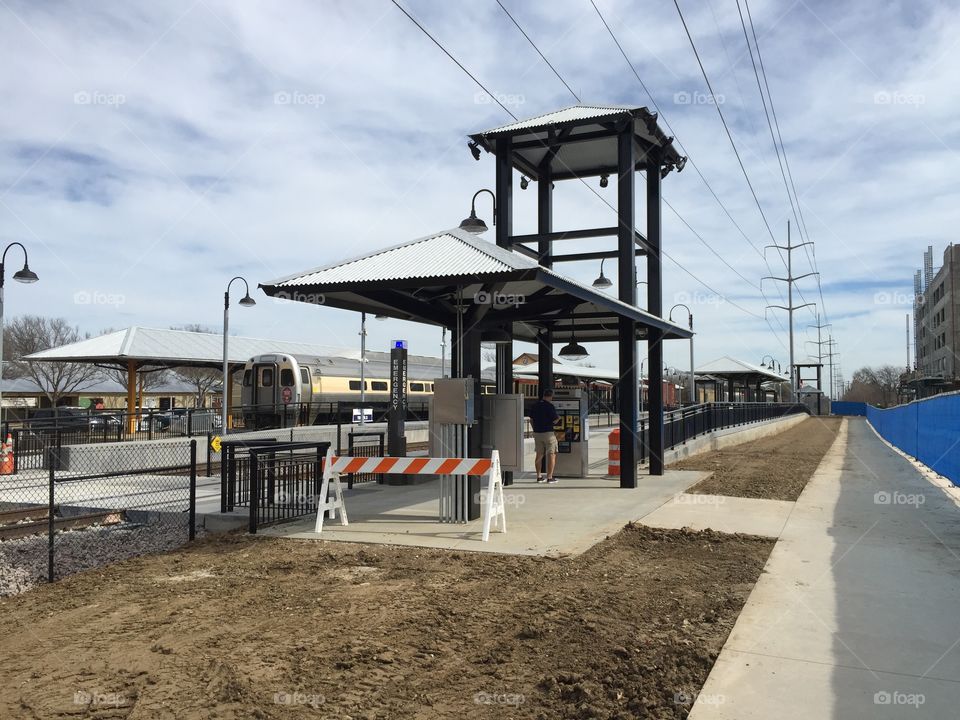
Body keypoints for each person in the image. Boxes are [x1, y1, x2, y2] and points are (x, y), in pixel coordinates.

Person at [527, 389, 559, 484]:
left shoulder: (535, 405)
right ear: (551, 396)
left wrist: (535, 429)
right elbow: (555, 419)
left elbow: (531, 419)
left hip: (537, 433)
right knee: (551, 454)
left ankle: (539, 476)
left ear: (543, 395)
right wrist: (559, 419)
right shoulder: (550, 406)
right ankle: (550, 477)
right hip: (548, 433)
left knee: (539, 454)